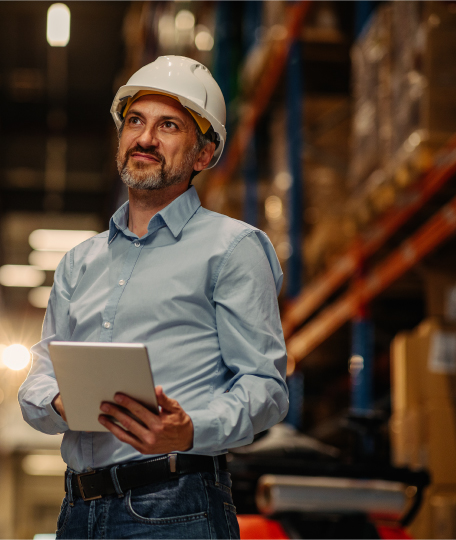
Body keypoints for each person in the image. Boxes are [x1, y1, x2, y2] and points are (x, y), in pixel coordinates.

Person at [18, 56, 289, 539]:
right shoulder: (79, 262)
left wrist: (190, 430)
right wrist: (60, 401)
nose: (145, 138)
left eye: (168, 126)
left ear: (203, 155)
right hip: (78, 511)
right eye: (135, 122)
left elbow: (265, 388)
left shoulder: (232, 248)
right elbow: (40, 374)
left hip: (175, 507)